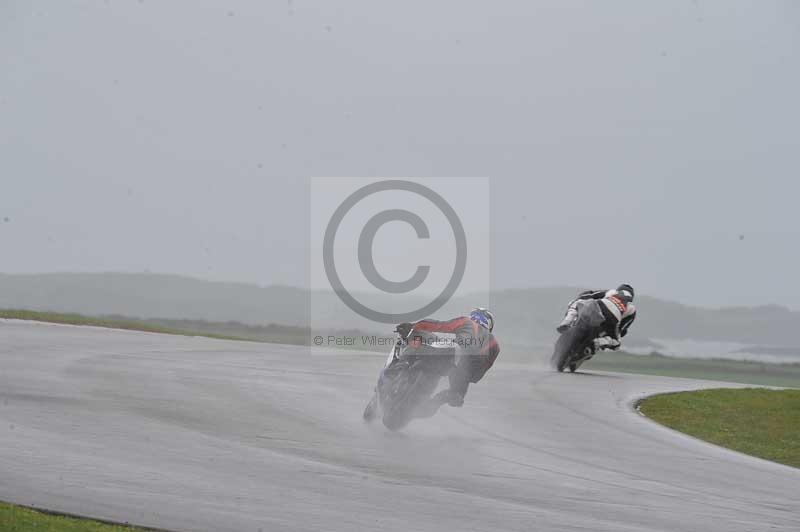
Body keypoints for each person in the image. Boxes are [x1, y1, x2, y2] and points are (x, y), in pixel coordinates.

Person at [364, 308, 500, 422]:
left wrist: (412, 326)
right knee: (444, 399)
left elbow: (440, 326)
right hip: (458, 375)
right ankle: (428, 404)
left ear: (475, 316)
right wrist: (458, 385)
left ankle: (401, 364)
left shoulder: (468, 322)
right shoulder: (495, 346)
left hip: (450, 353)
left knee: (416, 336)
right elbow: (476, 376)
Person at [556, 284, 637, 351]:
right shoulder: (632, 308)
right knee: (617, 344)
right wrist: (614, 335)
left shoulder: (612, 292)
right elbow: (622, 329)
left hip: (598, 306)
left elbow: (589, 295)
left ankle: (567, 322)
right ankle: (598, 342)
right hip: (613, 319)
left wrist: (580, 298)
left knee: (575, 302)